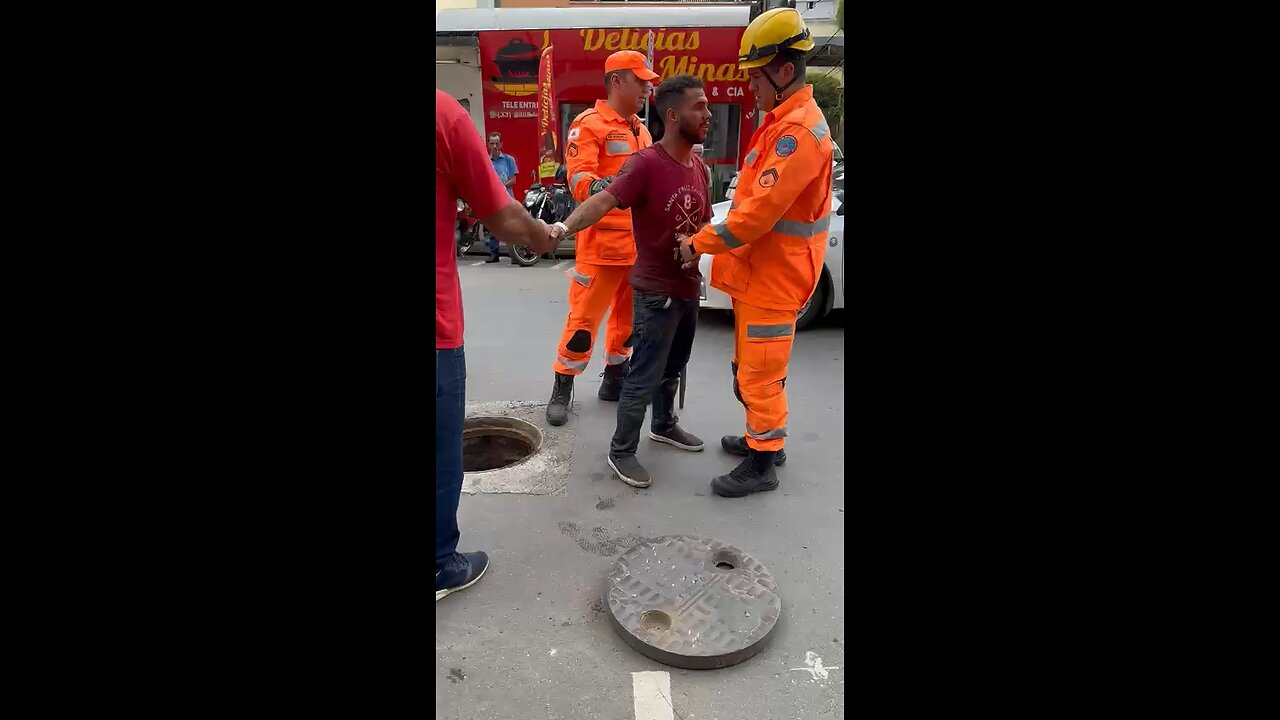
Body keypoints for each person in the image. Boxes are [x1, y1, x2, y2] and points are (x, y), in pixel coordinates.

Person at [675, 8, 834, 498]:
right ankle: (763, 440)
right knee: (753, 367)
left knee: (760, 373)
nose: (750, 88)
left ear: (784, 71)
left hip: (776, 277)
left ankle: (763, 463)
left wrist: (696, 243)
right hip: (764, 272)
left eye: (755, 77)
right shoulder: (783, 122)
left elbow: (755, 217)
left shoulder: (797, 134)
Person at [549, 75, 712, 488]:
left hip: (686, 286)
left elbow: (706, 224)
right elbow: (601, 198)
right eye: (701, 107)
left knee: (672, 364)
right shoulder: (644, 160)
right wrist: (561, 230)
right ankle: (621, 450)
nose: (709, 115)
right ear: (673, 116)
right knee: (642, 371)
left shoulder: (698, 166)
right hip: (650, 285)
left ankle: (664, 423)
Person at [436, 90, 556, 600]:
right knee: (441, 451)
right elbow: (502, 215)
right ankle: (440, 563)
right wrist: (542, 238)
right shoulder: (443, 114)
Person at [544, 50, 657, 426]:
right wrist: (598, 184)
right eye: (640, 80)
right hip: (600, 249)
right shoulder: (587, 124)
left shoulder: (641, 129)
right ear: (617, 81)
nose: (646, 87)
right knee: (582, 324)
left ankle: (613, 378)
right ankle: (563, 385)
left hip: (637, 249)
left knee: (626, 325)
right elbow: (577, 178)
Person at [485, 132, 519, 263]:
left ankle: (515, 255)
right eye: (492, 143)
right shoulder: (486, 161)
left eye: (497, 143)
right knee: (493, 226)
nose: (494, 146)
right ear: (488, 144)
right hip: (492, 198)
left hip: (507, 198)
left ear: (501, 144)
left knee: (511, 225)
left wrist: (501, 187)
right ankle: (494, 254)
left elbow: (513, 180)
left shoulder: (509, 159)